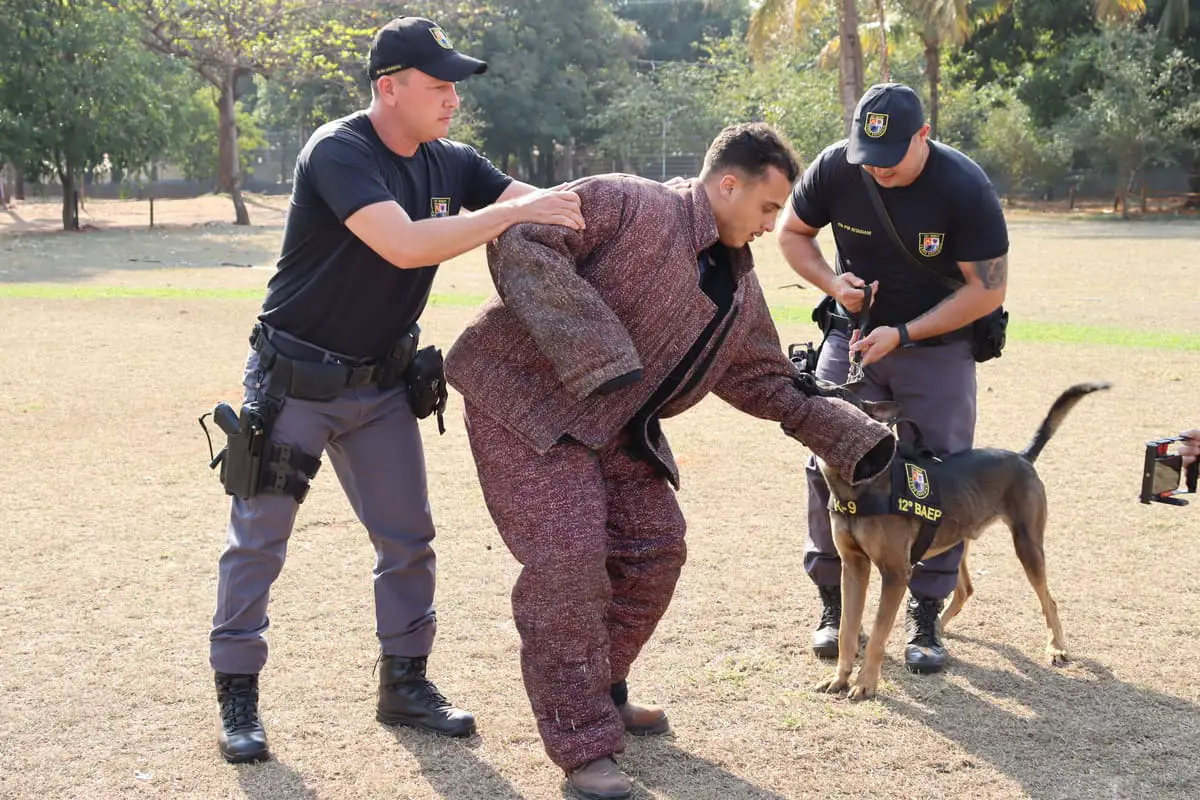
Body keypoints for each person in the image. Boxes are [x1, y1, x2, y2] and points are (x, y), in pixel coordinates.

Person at [444, 123, 897, 800]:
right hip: (525, 403)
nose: (776, 225)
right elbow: (523, 241)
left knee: (656, 548)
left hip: (615, 425)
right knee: (567, 560)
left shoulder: (739, 284)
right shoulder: (626, 201)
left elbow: (766, 377)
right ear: (727, 184)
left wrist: (853, 436)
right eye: (769, 208)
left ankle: (597, 688)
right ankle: (584, 746)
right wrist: (596, 353)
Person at [207, 16, 585, 765]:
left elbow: (555, 202)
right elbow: (405, 241)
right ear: (391, 87)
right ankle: (238, 700)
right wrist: (511, 214)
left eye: (455, 86)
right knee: (259, 544)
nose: (452, 99)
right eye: (439, 85)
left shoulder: (454, 162)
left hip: (381, 386)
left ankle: (404, 685)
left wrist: (659, 201)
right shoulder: (338, 150)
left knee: (408, 540)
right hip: (295, 384)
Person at [777, 83, 1009, 674]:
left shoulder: (964, 187)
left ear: (923, 137)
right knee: (825, 462)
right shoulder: (837, 166)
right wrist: (833, 283)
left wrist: (903, 334)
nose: (875, 170)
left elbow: (989, 289)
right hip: (851, 338)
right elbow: (791, 233)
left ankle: (926, 613)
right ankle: (833, 605)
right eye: (866, 157)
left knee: (937, 473)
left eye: (890, 158)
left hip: (937, 347)